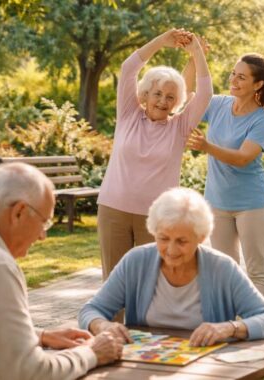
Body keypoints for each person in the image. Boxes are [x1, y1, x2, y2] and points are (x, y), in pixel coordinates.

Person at [0, 163, 122, 379]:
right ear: (19, 212)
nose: (43, 236)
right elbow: (29, 373)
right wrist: (91, 353)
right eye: (45, 222)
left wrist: (40, 336)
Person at [79, 188, 264, 347]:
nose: (171, 250)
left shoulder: (222, 268)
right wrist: (102, 325)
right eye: (163, 238)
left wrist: (230, 328)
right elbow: (91, 310)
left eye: (182, 241)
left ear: (201, 237)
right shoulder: (136, 261)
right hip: (146, 367)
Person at [96, 28, 212, 278]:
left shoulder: (179, 128)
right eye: (157, 94)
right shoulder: (128, 114)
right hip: (113, 210)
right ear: (145, 94)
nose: (162, 101)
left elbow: (205, 93)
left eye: (170, 97)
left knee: (149, 286)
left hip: (157, 217)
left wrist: (197, 53)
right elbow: (129, 69)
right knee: (113, 285)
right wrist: (161, 41)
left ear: (177, 101)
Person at [186, 53, 264, 304]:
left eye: (241, 77)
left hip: (252, 205)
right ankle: (229, 325)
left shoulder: (261, 119)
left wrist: (207, 147)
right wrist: (194, 58)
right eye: (233, 73)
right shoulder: (218, 104)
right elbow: (185, 94)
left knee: (257, 272)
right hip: (217, 203)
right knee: (224, 271)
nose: (234, 80)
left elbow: (244, 157)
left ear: (258, 85)